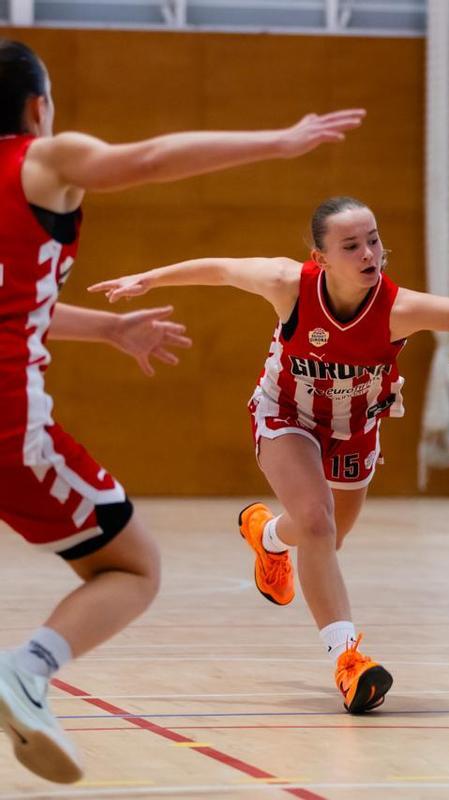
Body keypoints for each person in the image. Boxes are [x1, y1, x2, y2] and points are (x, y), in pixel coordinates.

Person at [90, 196, 449, 713]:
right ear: (319, 257)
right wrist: (150, 278)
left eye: (374, 240)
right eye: (351, 245)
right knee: (316, 523)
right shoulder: (287, 284)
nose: (369, 253)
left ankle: (266, 535)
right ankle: (349, 660)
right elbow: (216, 268)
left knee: (327, 534)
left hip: (356, 429)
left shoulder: (400, 308)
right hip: (285, 415)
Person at [0, 38, 364, 783]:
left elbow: (16, 304)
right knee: (132, 566)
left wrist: (106, 327)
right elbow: (154, 157)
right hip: (8, 421)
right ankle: (27, 673)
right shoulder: (42, 159)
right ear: (40, 107)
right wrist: (282, 141)